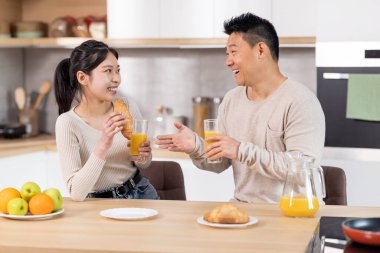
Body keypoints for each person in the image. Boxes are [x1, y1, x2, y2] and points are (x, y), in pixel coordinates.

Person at [155, 13, 325, 203]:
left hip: (290, 214)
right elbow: (220, 162)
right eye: (227, 54)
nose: (228, 61)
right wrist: (196, 147)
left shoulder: (300, 101)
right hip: (243, 211)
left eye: (234, 52)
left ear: (261, 50)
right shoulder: (231, 99)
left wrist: (240, 150)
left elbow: (303, 172)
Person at [54, 40, 159, 201]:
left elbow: (144, 163)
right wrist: (103, 144)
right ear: (83, 77)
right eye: (108, 71)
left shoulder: (127, 106)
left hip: (142, 193)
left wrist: (142, 156)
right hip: (99, 204)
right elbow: (76, 193)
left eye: (117, 70)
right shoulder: (67, 123)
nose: (117, 79)